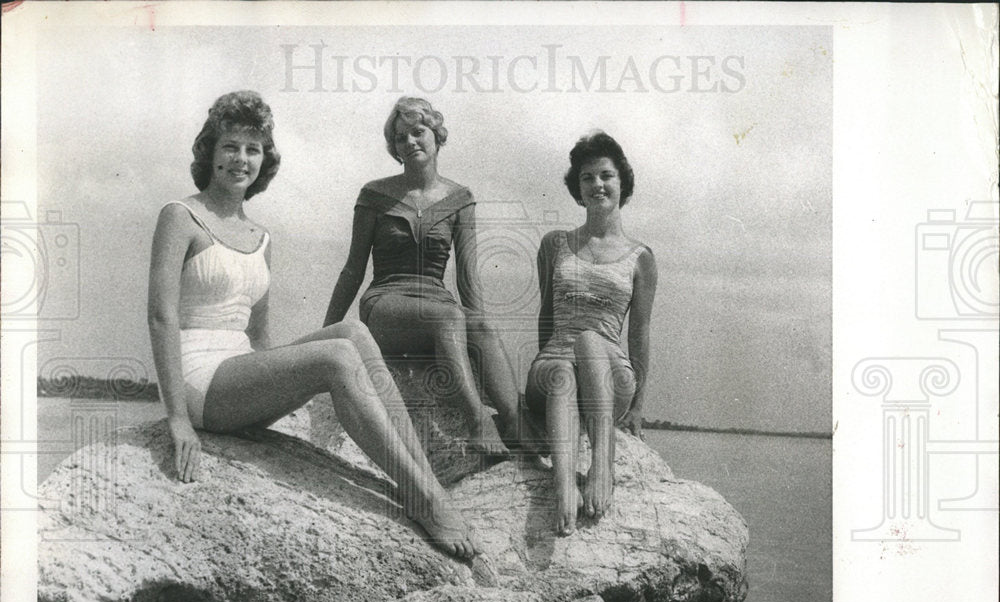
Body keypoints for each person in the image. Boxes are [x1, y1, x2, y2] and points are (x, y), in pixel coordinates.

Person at [147, 91, 477, 559]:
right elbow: (161, 318)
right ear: (210, 152)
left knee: (354, 333)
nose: (242, 159)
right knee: (337, 356)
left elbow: (258, 337)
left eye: (253, 149)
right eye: (231, 147)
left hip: (238, 375)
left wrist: (277, 383)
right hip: (198, 380)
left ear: (265, 160)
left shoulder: (260, 237)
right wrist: (178, 420)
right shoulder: (180, 216)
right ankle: (425, 499)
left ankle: (426, 483)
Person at [323, 97, 520, 457]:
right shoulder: (375, 195)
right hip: (385, 306)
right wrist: (327, 333)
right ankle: (478, 424)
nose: (410, 142)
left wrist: (476, 328)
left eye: (418, 132)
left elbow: (468, 276)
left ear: (436, 135)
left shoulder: (460, 198)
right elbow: (353, 268)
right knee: (447, 316)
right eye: (400, 138)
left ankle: (514, 423)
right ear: (394, 148)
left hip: (438, 307)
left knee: (479, 325)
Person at [526, 132, 658, 535]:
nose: (597, 184)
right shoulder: (555, 244)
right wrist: (546, 362)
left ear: (622, 183)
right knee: (563, 368)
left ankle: (602, 463)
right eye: (587, 178)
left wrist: (636, 407)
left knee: (588, 340)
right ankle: (564, 483)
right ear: (577, 188)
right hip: (556, 368)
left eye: (606, 175)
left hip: (609, 372)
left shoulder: (642, 258)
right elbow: (545, 317)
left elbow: (639, 334)